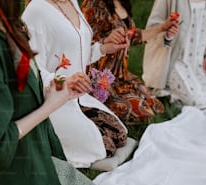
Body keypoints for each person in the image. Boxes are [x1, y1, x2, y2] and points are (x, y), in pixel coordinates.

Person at [0, 0, 109, 185]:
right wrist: (50, 105)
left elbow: (24, 91)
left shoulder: (7, 23)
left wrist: (55, 91)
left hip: (29, 155)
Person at [22, 0, 131, 167]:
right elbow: (30, 70)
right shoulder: (36, 10)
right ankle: (45, 139)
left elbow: (76, 52)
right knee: (104, 146)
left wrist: (102, 48)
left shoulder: (72, 1)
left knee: (120, 134)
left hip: (79, 97)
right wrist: (64, 81)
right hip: (52, 102)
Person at [81, 0, 179, 125]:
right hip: (100, 78)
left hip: (122, 76)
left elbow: (133, 36)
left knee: (155, 105)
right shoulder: (94, 4)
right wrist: (105, 40)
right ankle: (99, 108)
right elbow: (82, 41)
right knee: (139, 112)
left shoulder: (123, 3)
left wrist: (162, 28)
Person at [143, 0, 206, 109]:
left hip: (199, 61)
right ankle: (167, 92)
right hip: (176, 62)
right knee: (196, 102)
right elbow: (153, 27)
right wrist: (167, 35)